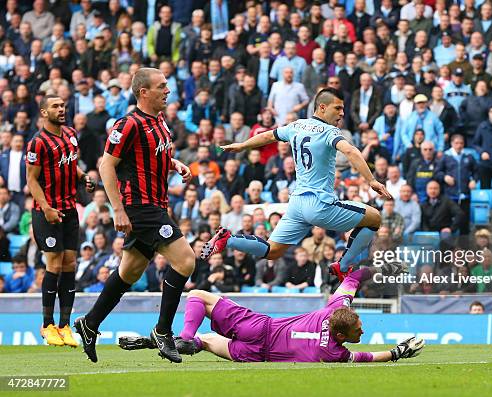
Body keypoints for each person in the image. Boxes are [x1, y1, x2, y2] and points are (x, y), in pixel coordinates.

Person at [201, 88, 392, 282]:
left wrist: (242, 146)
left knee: (272, 251)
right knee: (375, 218)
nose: (342, 113)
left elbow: (268, 136)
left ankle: (228, 240)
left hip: (297, 204)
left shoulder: (297, 126)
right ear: (322, 107)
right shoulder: (329, 131)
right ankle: (342, 266)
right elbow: (350, 151)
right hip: (319, 204)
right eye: (338, 108)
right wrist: (372, 181)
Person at [74, 68, 195, 364]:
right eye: (162, 86)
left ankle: (89, 324)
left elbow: (152, 156)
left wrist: (174, 163)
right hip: (140, 208)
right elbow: (106, 166)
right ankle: (163, 331)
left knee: (129, 272)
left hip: (155, 204)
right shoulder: (128, 124)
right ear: (144, 92)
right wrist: (117, 209)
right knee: (185, 260)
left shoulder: (160, 121)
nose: (168, 91)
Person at [118, 266, 425, 363]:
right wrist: (397, 352)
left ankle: (176, 339)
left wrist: (382, 269)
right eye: (359, 329)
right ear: (341, 337)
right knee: (209, 341)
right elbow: (368, 358)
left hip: (258, 327)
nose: (363, 330)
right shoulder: (333, 353)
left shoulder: (334, 310)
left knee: (197, 296)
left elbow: (354, 276)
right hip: (256, 354)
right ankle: (180, 341)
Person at [26, 95, 95, 347]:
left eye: (63, 105)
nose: (61, 109)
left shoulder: (71, 135)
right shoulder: (37, 143)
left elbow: (70, 165)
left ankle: (65, 325)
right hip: (47, 211)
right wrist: (46, 208)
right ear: (44, 112)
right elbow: (32, 179)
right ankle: (47, 325)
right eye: (55, 106)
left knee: (70, 263)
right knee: (53, 262)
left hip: (69, 209)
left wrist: (83, 176)